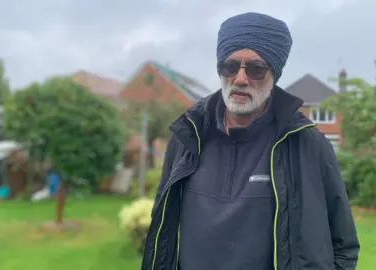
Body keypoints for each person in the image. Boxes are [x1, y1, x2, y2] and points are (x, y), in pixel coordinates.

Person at [141, 12, 360, 270]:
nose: (241, 79)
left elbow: (343, 246)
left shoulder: (307, 145)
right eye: (230, 66)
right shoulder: (188, 137)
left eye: (256, 69)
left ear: (274, 75)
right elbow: (163, 233)